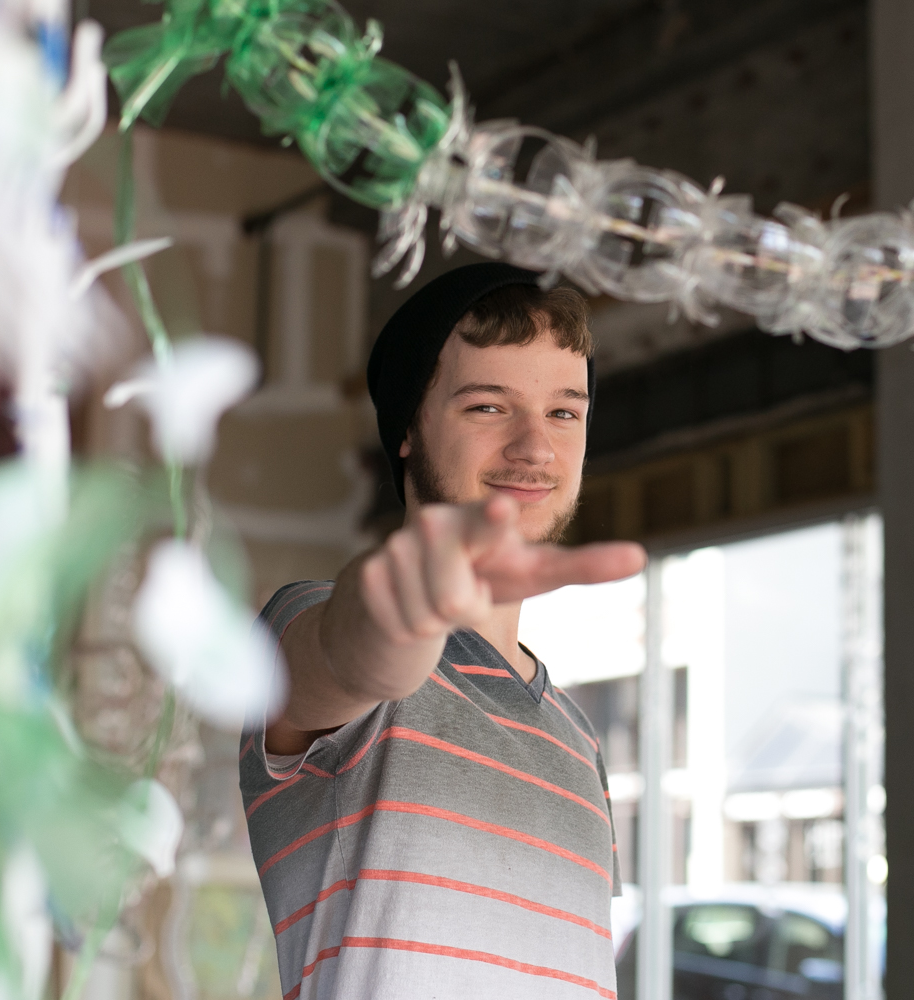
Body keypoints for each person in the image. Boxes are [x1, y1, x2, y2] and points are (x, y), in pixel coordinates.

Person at [239, 262, 646, 1000]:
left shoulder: (579, 739)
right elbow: (352, 653)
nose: (535, 449)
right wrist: (402, 610)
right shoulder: (308, 624)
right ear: (408, 432)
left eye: (564, 412)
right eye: (489, 407)